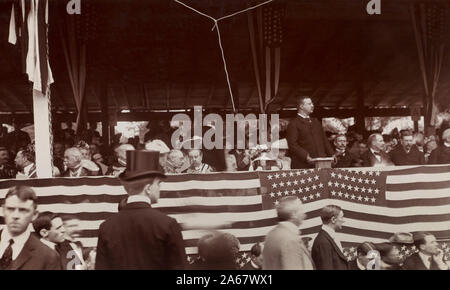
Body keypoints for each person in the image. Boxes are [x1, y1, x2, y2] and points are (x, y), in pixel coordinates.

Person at [95, 150, 186, 269]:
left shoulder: (106, 227)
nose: (159, 188)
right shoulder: (167, 224)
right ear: (148, 188)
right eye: (158, 184)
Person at [0, 186, 61, 270]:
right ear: (3, 210)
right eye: (10, 209)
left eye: (23, 210)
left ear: (34, 215)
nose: (15, 216)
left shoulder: (48, 257)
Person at [263, 196, 314, 270]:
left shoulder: (271, 234)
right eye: (301, 209)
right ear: (294, 214)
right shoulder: (290, 240)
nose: (304, 213)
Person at [286, 96, 334, 169]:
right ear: (301, 106)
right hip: (303, 165)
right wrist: (306, 156)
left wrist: (332, 154)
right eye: (309, 104)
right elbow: (292, 144)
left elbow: (324, 140)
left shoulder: (316, 122)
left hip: (321, 163)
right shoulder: (293, 123)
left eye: (312, 103)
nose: (312, 105)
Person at [311, 205, 348, 270]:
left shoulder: (328, 237)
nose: (344, 220)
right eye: (342, 217)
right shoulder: (323, 242)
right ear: (333, 219)